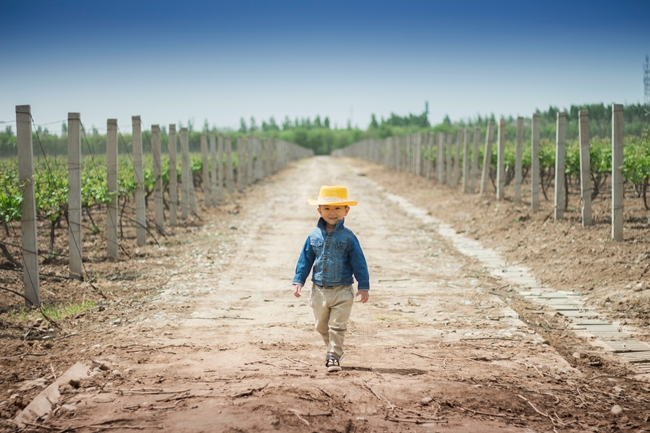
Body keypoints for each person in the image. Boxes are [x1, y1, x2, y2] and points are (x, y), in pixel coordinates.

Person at [292, 185, 370, 372]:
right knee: (321, 326)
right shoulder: (313, 236)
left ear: (346, 210)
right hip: (319, 290)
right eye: (327, 208)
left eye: (337, 208)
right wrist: (298, 280)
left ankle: (333, 356)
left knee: (337, 326)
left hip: (342, 290)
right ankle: (333, 348)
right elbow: (305, 259)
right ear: (319, 210)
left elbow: (359, 261)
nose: (332, 213)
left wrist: (363, 285)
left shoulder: (349, 237)